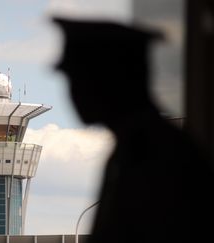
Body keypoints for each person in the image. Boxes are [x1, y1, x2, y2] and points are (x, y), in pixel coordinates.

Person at [52, 17, 214, 243]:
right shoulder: (136, 148)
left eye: (79, 79)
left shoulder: (153, 154)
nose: (73, 94)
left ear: (111, 79)